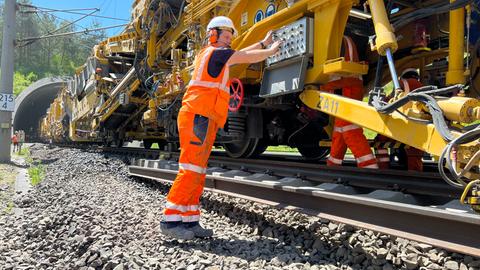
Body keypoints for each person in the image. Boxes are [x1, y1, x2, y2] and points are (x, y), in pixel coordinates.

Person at [160, 16, 282, 240]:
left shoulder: (214, 54)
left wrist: (263, 44)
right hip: (199, 115)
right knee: (190, 169)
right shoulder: (216, 53)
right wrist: (270, 51)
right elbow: (243, 56)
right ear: (213, 34)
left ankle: (189, 221)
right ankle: (170, 221)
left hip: (203, 116)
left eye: (230, 36)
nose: (228, 40)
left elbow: (239, 54)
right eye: (225, 35)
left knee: (197, 171)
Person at [322, 36, 378, 169]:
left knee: (349, 129)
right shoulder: (346, 43)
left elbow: (339, 77)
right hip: (348, 92)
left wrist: (323, 88)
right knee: (340, 130)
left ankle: (368, 165)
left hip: (348, 92)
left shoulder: (339, 42)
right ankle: (333, 164)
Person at [375, 68, 424, 171]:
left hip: (399, 123)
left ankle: (383, 168)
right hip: (418, 125)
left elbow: (390, 101)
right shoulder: (423, 86)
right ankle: (415, 173)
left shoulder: (402, 83)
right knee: (414, 150)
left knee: (380, 142)